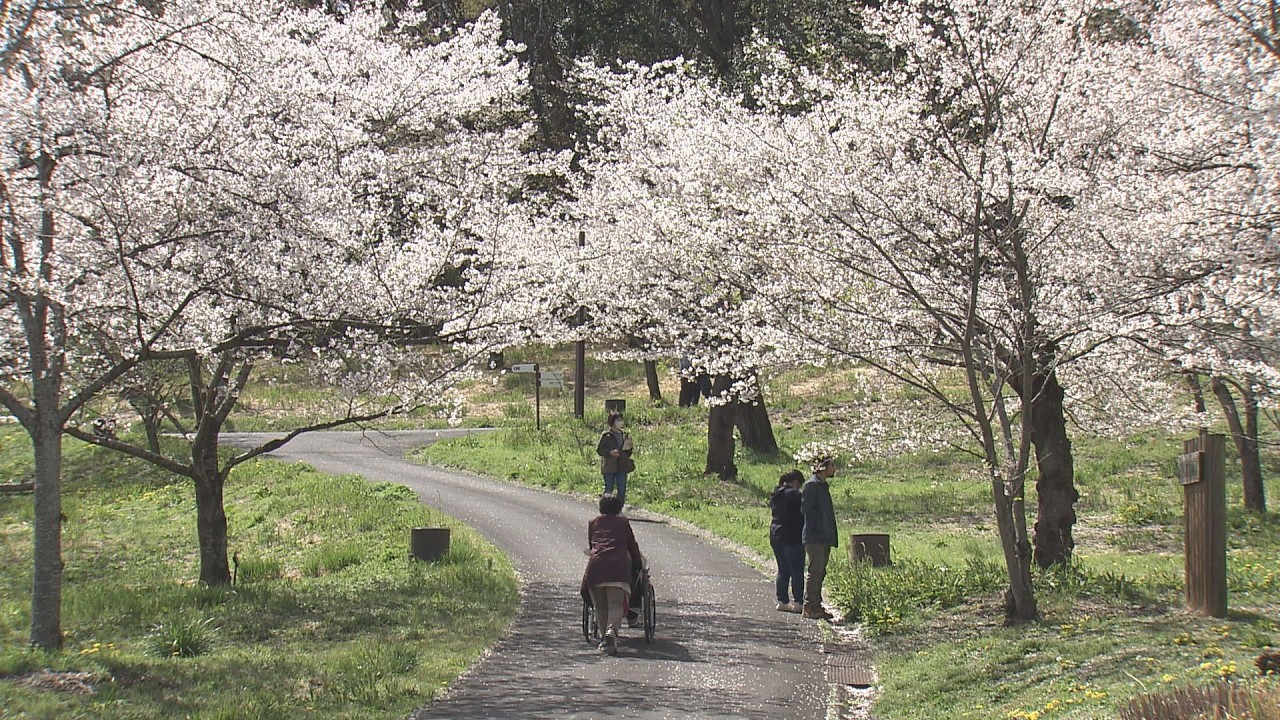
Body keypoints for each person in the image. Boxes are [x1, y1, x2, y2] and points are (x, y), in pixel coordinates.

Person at [582, 494, 644, 655]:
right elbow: (632, 545)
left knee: (600, 606)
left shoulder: (593, 523)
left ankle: (605, 640)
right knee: (615, 604)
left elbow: (592, 544)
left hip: (595, 569)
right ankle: (611, 633)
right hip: (617, 568)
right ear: (619, 509)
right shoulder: (623, 523)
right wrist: (638, 563)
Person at [801, 456, 838, 620]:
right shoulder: (811, 486)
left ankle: (817, 603)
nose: (834, 468)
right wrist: (817, 529)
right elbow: (806, 510)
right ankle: (809, 605)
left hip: (825, 535)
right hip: (815, 536)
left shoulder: (823, 486)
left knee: (821, 571)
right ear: (823, 467)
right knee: (814, 570)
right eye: (832, 465)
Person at [770, 469, 806, 613]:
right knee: (797, 570)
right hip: (792, 535)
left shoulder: (776, 494)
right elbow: (802, 513)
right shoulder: (795, 495)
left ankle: (782, 601)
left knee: (783, 570)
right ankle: (798, 602)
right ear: (796, 482)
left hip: (776, 534)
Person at [596, 412, 634, 506]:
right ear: (612, 422)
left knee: (621, 489)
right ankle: (605, 509)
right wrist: (610, 452)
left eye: (621, 420)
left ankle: (619, 509)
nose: (620, 422)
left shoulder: (625, 435)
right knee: (609, 489)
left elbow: (628, 453)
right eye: (618, 420)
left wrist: (628, 448)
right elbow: (599, 450)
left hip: (622, 465)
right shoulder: (606, 435)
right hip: (609, 466)